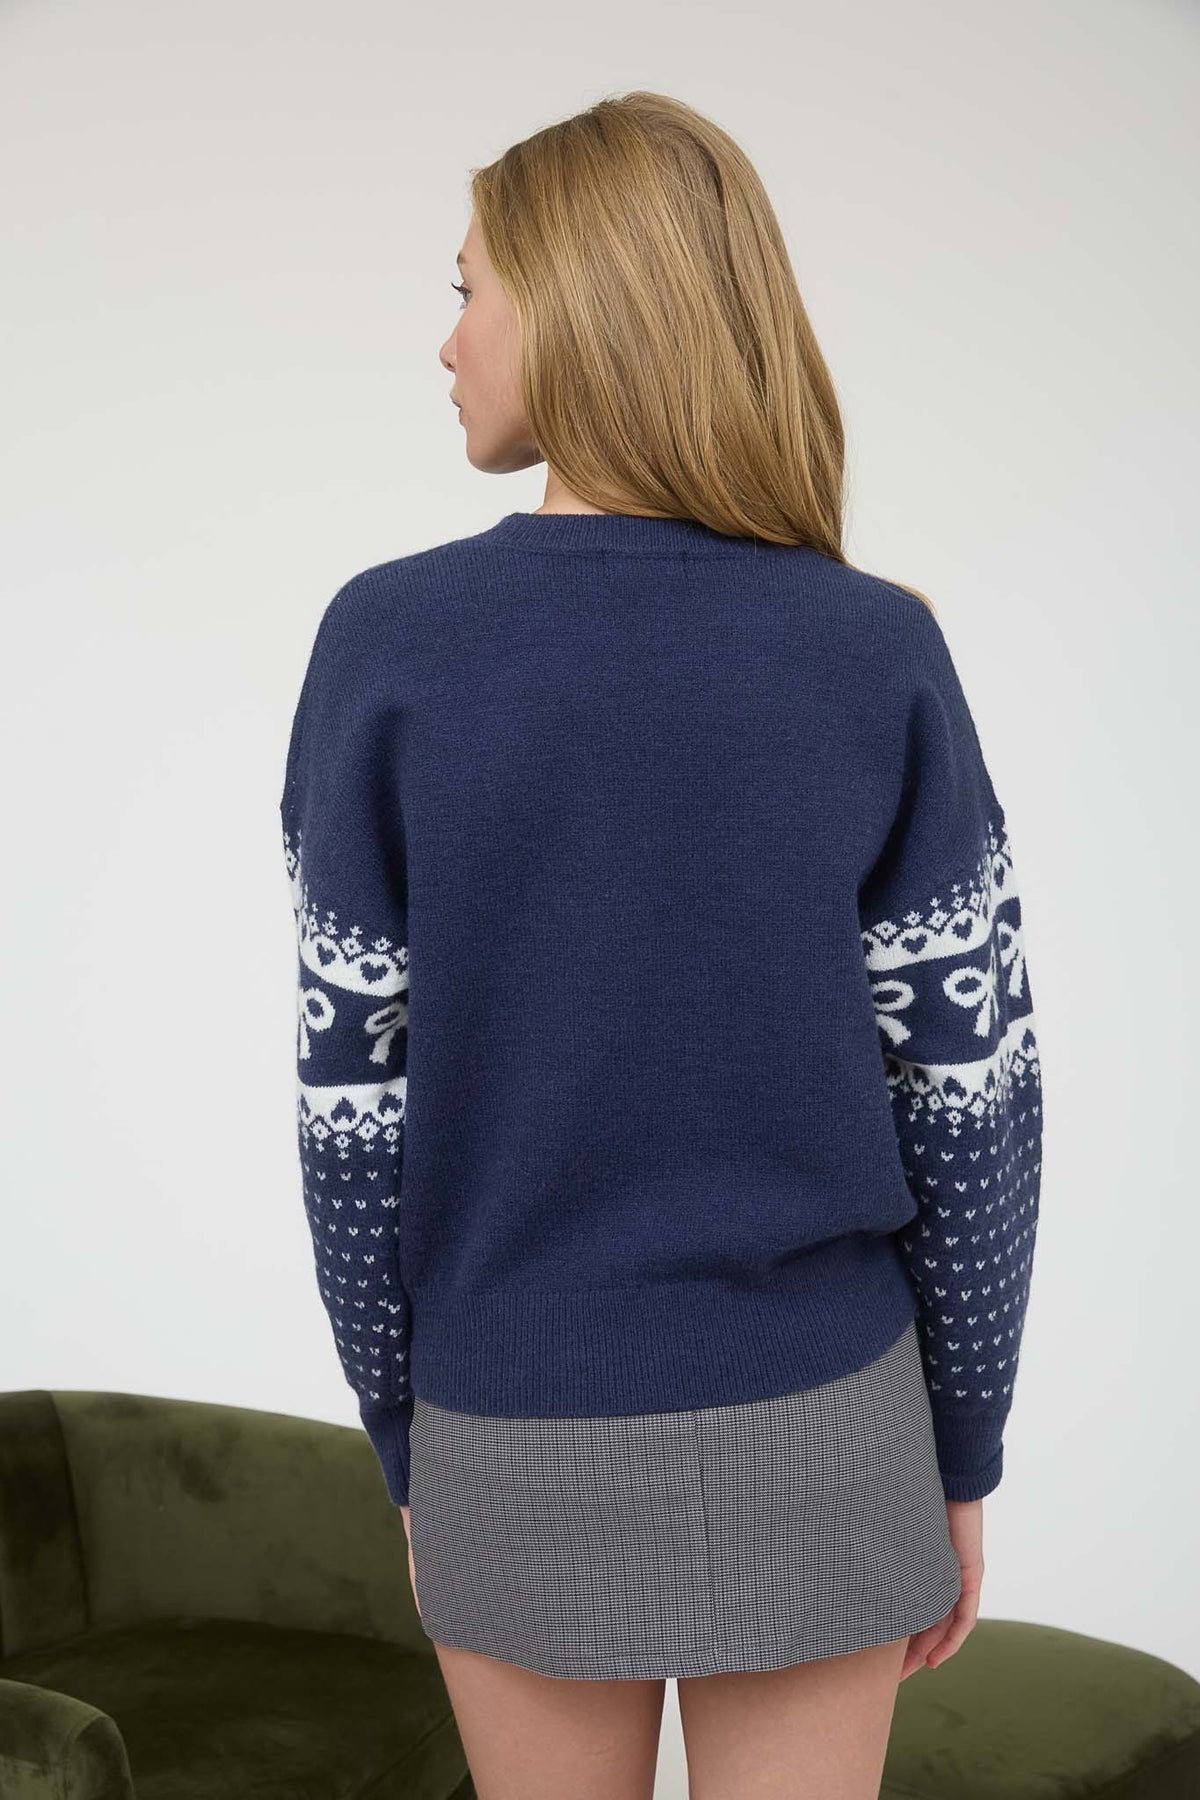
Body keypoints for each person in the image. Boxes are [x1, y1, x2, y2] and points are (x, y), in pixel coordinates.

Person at [279, 89, 1043, 1800]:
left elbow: (352, 1111)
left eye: (468, 287)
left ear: (572, 302)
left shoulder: (388, 646)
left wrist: (409, 1437)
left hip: (512, 1421)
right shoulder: (873, 650)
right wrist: (962, 1445)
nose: (447, 340)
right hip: (831, 1419)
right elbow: (972, 1099)